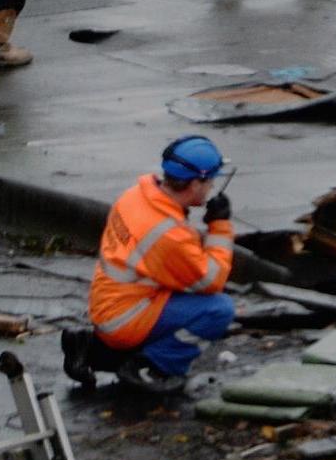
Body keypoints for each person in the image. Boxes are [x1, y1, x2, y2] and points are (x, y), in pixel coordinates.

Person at [66, 135, 237, 395]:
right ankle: (153, 368)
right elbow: (212, 280)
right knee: (218, 310)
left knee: (183, 301)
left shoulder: (137, 196)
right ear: (195, 183)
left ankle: (94, 350)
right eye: (211, 180)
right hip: (125, 317)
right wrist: (220, 228)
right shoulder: (168, 235)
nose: (212, 186)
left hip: (109, 303)